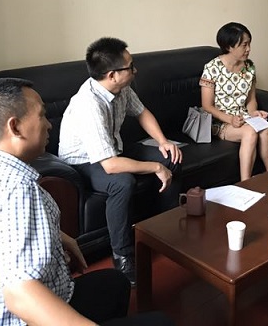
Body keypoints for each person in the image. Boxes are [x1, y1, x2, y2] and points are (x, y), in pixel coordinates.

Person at [0, 78, 132, 325]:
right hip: (8, 317)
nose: (49, 124)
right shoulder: (14, 189)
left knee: (114, 284)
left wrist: (60, 236)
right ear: (15, 127)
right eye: (42, 115)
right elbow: (21, 296)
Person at [59, 37, 182, 286]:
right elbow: (110, 165)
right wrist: (155, 167)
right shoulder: (88, 104)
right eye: (131, 66)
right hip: (83, 161)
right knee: (122, 182)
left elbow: (142, 112)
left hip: (114, 150)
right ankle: (123, 255)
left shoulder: (121, 88)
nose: (135, 70)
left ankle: (165, 231)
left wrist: (163, 142)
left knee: (172, 156)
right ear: (112, 75)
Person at [200, 22, 268, 180]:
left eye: (249, 44)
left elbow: (251, 99)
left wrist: (254, 113)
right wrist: (230, 119)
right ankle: (245, 183)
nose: (248, 49)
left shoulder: (249, 67)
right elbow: (207, 106)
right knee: (250, 132)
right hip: (219, 121)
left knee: (266, 131)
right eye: (244, 45)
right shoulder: (212, 68)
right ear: (229, 47)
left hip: (243, 118)